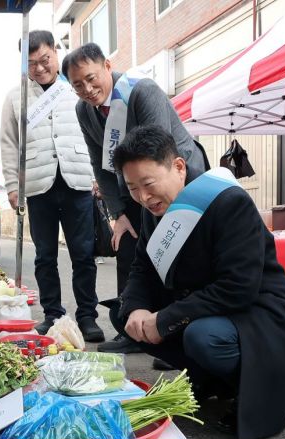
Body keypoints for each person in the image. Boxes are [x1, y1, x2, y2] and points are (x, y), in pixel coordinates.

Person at [113, 124, 285, 439]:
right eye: (133, 188)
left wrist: (166, 318)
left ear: (178, 167)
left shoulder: (228, 202)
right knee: (125, 317)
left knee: (203, 337)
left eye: (148, 184)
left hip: (258, 313)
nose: (143, 197)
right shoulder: (152, 209)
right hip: (206, 305)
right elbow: (142, 269)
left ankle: (242, 387)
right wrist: (135, 309)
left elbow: (238, 287)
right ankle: (210, 379)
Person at [61, 42, 208, 355]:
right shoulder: (83, 111)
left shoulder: (141, 91)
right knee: (131, 249)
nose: (87, 89)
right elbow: (99, 163)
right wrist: (119, 213)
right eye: (77, 85)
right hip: (133, 185)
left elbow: (159, 151)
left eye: (91, 78)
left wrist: (152, 201)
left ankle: (176, 334)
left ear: (107, 67)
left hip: (175, 179)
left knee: (179, 255)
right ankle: (134, 328)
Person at [0, 30, 103, 341]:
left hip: (76, 180)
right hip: (37, 184)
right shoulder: (15, 97)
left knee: (83, 254)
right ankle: (52, 314)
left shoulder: (76, 88)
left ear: (56, 52)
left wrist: (97, 175)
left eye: (44, 60)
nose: (39, 68)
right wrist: (12, 186)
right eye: (31, 64)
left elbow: (96, 132)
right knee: (44, 255)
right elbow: (8, 143)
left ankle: (87, 316)